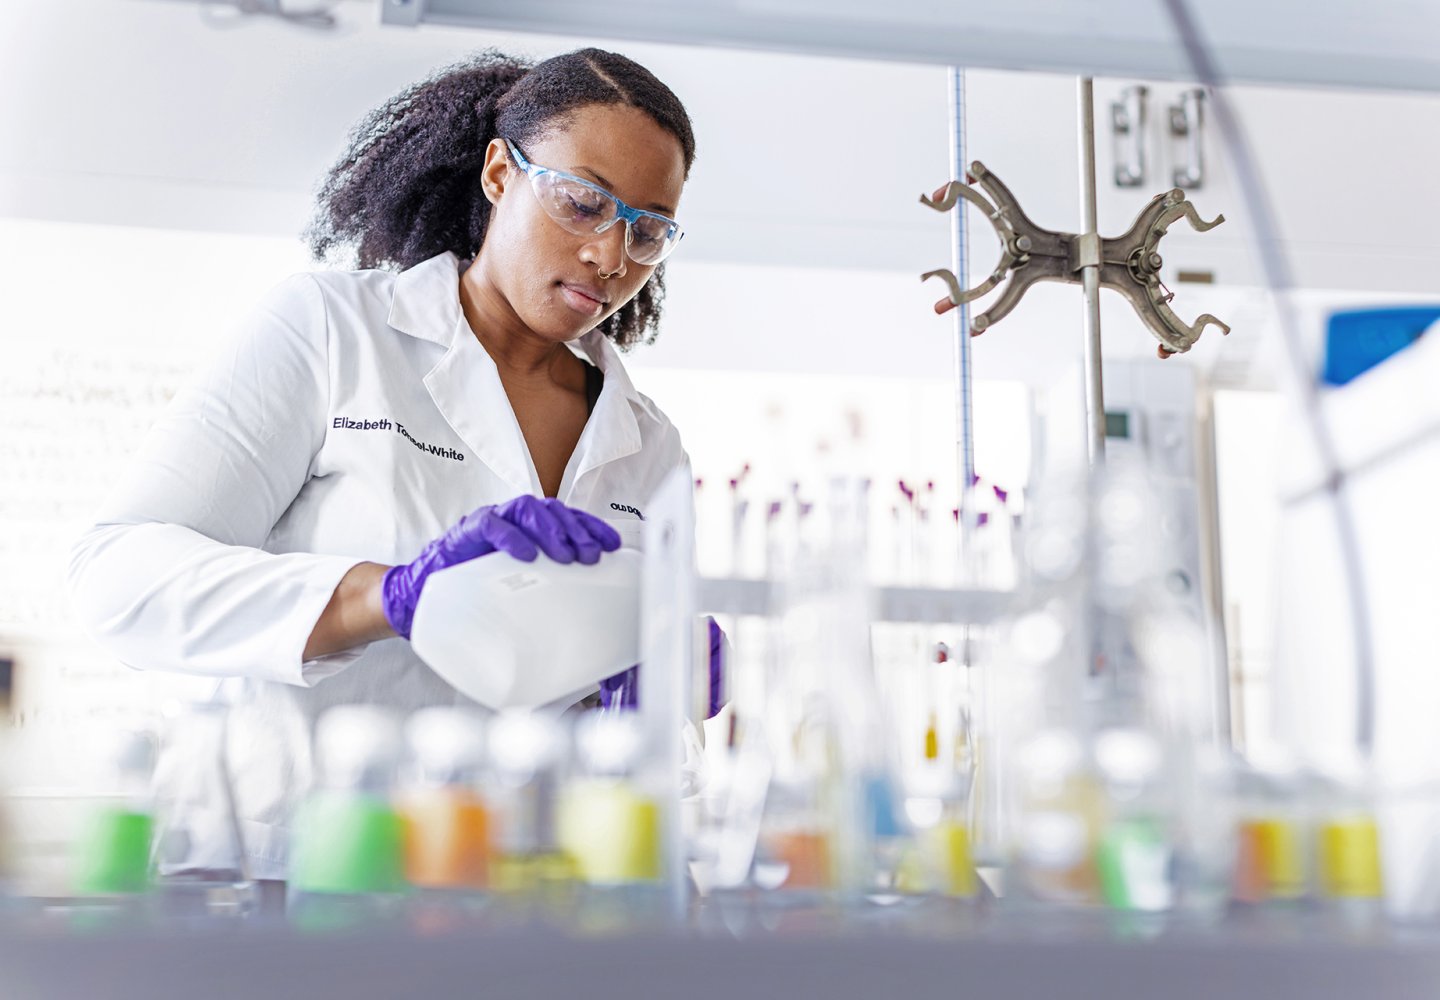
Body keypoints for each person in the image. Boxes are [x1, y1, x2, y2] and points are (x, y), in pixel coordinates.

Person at [65, 48, 705, 881]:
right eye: (584, 204)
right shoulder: (333, 331)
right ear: (500, 174)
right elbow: (116, 575)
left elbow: (605, 734)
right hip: (281, 872)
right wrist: (391, 594)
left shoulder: (646, 445)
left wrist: (659, 689)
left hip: (512, 895)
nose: (611, 255)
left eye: (649, 228)